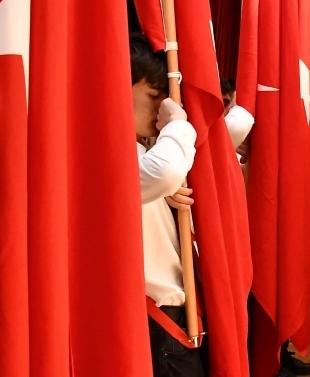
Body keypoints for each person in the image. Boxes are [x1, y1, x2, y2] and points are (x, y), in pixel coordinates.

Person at [129, 34, 204, 376]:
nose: (161, 106)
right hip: (153, 323)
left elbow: (158, 175)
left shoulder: (140, 152)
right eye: (153, 95)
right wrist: (178, 126)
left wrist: (163, 191)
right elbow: (165, 170)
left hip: (167, 321)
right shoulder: (99, 146)